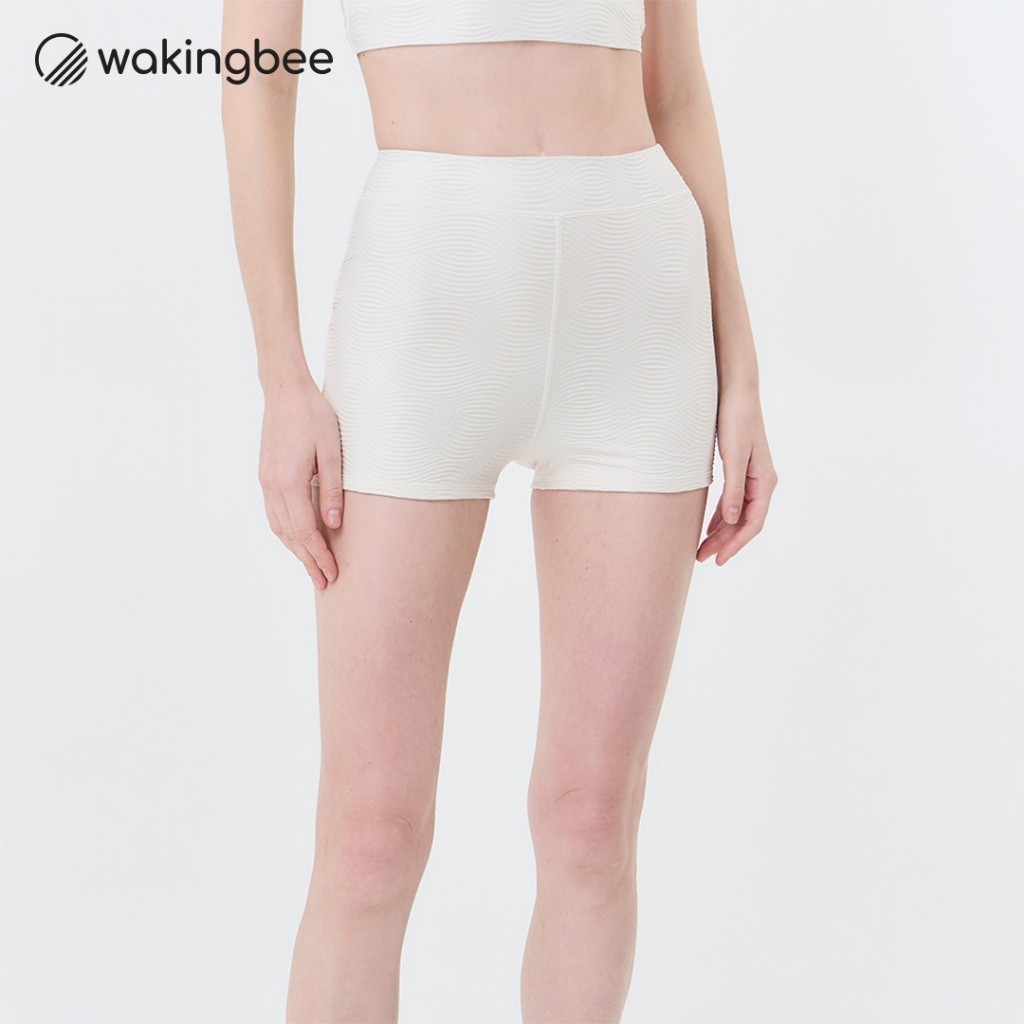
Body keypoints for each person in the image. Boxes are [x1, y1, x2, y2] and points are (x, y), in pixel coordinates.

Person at [222, 1, 778, 1019]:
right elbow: (256, 80)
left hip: (640, 306)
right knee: (371, 834)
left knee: (591, 821)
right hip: (421, 306)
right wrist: (280, 377)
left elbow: (678, 92)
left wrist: (740, 367)